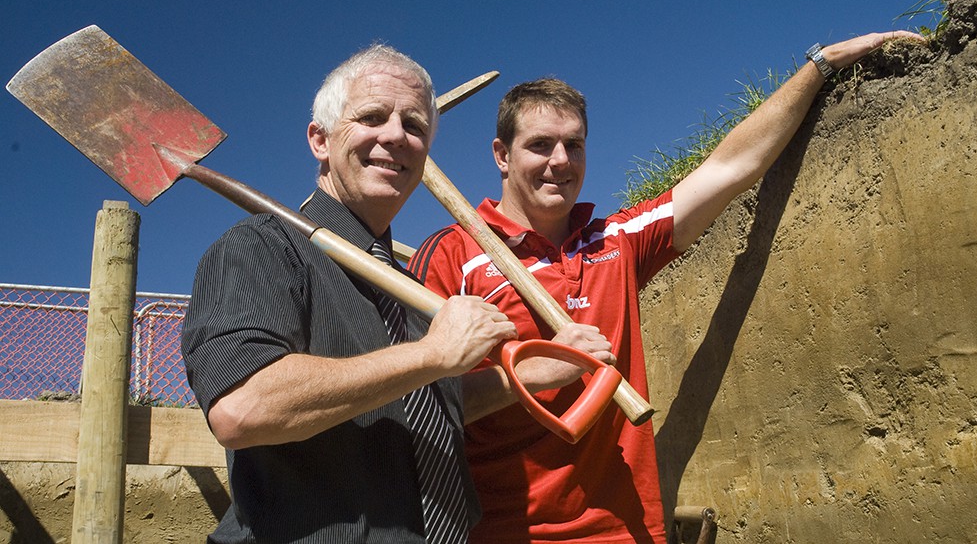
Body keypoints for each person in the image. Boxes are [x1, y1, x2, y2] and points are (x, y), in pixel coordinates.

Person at [407, 31, 924, 543]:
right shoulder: (453, 257)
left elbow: (731, 168)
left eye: (574, 145)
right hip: (500, 530)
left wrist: (821, 64)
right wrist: (537, 372)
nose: (560, 161)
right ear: (501, 155)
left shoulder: (616, 241)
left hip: (629, 530)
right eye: (539, 145)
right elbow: (412, 407)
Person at [182, 44, 529, 543]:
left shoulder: (411, 292)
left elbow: (420, 407)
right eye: (371, 117)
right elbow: (244, 406)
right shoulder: (260, 247)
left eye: (414, 125)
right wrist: (434, 354)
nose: (395, 135)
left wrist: (529, 377)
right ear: (319, 140)